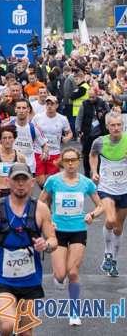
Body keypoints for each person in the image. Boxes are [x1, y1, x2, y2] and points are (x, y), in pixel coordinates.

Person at [0, 163, 57, 336]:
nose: (20, 183)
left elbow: (53, 240)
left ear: (32, 182)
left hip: (30, 276)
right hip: (2, 274)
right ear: (8, 182)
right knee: (7, 325)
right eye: (16, 179)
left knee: (25, 330)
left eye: (24, 179)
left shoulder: (41, 209)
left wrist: (45, 245)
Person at [38, 147, 103, 326]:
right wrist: (47, 220)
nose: (70, 164)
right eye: (66, 160)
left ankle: (74, 312)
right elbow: (39, 204)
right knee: (60, 274)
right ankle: (60, 278)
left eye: (73, 160)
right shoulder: (53, 181)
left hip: (78, 230)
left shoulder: (86, 183)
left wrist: (92, 215)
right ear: (62, 162)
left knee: (73, 272)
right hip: (57, 232)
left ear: (79, 160)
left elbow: (100, 206)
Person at [88, 112, 127, 278]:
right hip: (106, 188)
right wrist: (94, 172)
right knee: (110, 220)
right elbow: (92, 155)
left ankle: (115, 260)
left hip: (124, 189)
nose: (116, 128)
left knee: (118, 227)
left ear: (123, 125)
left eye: (119, 125)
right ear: (108, 127)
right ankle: (107, 252)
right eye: (113, 125)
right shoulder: (100, 142)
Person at [32, 95, 72, 189]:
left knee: (52, 183)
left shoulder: (62, 119)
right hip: (39, 152)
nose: (49, 106)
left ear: (57, 105)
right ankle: (45, 195)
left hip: (54, 153)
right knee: (41, 182)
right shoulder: (38, 117)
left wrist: (67, 138)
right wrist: (32, 140)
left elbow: (69, 132)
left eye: (52, 104)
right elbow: (32, 131)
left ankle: (47, 203)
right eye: (48, 104)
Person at [76, 86, 110, 178]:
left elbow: (109, 115)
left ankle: (97, 174)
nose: (91, 99)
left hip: (100, 134)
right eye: (90, 97)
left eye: (93, 97)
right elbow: (79, 118)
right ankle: (87, 174)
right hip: (87, 134)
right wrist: (78, 130)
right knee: (86, 156)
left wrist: (103, 114)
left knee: (99, 155)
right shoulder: (84, 104)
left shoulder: (102, 103)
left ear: (97, 95)